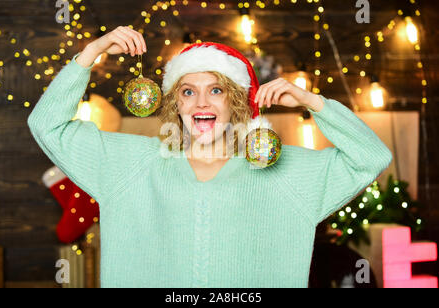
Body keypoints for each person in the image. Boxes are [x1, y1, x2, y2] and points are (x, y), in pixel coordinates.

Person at [27, 26, 393, 288]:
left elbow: (370, 157)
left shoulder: (285, 173)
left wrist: (315, 103)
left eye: (216, 89)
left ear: (235, 101)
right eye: (188, 91)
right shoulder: (131, 163)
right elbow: (48, 126)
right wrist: (90, 54)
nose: (201, 102)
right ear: (175, 104)